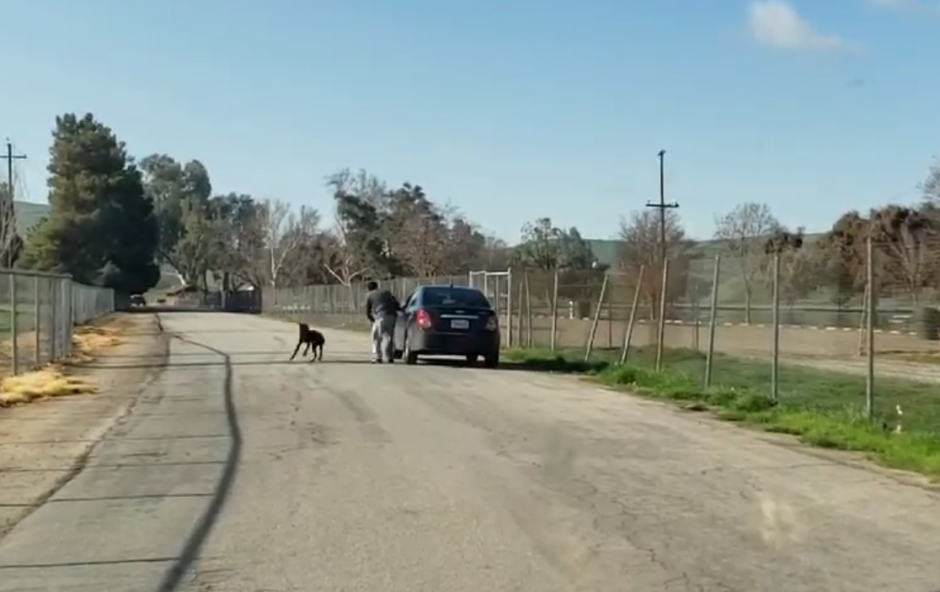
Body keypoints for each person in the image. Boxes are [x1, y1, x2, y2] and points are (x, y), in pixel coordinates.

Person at [365, 280, 401, 363]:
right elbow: (396, 304)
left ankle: (377, 357)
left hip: (380, 316)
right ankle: (389, 356)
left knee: (376, 337)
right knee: (389, 337)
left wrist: (373, 320)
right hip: (392, 316)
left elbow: (367, 312)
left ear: (369, 289)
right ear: (377, 286)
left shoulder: (369, 295)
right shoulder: (387, 293)